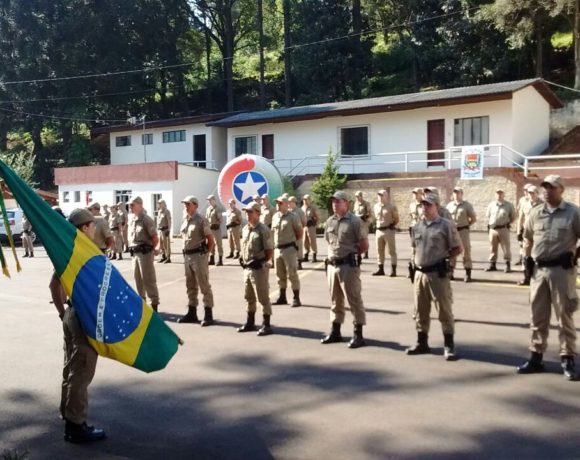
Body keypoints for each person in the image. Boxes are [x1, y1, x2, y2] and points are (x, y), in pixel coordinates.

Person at [516, 175, 579, 381]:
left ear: (561, 190)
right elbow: (528, 238)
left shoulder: (573, 213)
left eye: (551, 187)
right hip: (539, 271)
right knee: (537, 316)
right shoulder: (536, 212)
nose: (546, 191)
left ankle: (567, 358)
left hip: (562, 271)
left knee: (564, 316)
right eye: (544, 187)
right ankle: (536, 356)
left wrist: (574, 256)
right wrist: (527, 261)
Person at [56, 208, 106, 443]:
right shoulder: (84, 252)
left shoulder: (67, 250)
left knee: (71, 368)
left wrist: (63, 312)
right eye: (92, 225)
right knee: (82, 371)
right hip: (83, 317)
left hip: (71, 313)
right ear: (85, 228)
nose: (95, 228)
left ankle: (68, 415)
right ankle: (76, 426)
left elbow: (53, 284)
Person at [406, 193, 462, 360]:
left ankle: (449, 345)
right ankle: (422, 342)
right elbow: (414, 248)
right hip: (420, 274)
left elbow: (457, 248)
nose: (425, 207)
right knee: (420, 310)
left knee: (444, 310)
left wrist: (444, 260)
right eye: (423, 204)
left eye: (428, 204)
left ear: (437, 206)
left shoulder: (446, 225)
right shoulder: (417, 226)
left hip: (438, 274)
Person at [321, 191, 369, 349]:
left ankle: (358, 334)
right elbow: (329, 242)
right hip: (332, 265)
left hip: (348, 266)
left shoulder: (355, 221)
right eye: (333, 201)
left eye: (338, 201)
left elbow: (364, 245)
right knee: (335, 300)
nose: (334, 204)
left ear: (346, 203)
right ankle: (336, 331)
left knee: (354, 299)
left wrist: (350, 255)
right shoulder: (330, 221)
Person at [177, 195, 216, 326]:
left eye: (188, 204)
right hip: (187, 256)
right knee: (190, 286)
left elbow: (210, 240)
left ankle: (208, 314)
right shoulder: (185, 219)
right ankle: (192, 312)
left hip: (198, 256)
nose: (186, 206)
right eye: (185, 204)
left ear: (195, 205)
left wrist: (205, 255)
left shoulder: (201, 220)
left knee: (204, 285)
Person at [237, 202, 275, 335]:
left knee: (263, 297)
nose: (247, 214)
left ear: (258, 213)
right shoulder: (245, 229)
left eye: (250, 212)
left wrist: (261, 261)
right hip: (247, 268)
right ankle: (250, 322)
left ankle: (266, 324)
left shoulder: (263, 230)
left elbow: (269, 250)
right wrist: (242, 258)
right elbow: (244, 246)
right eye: (246, 212)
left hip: (259, 268)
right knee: (249, 296)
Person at [128, 196, 160, 311]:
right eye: (130, 205)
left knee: (148, 280)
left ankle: (154, 305)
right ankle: (142, 306)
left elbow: (155, 238)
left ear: (140, 205)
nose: (130, 207)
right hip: (134, 254)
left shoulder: (146, 220)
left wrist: (151, 250)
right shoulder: (132, 220)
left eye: (132, 205)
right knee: (138, 280)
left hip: (144, 254)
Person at [272, 196, 303, 307]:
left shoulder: (293, 217)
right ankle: (282, 297)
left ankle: (296, 298)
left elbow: (299, 233)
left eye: (280, 203)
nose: (277, 205)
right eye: (277, 203)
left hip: (289, 249)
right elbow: (272, 233)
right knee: (279, 274)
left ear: (286, 204)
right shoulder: (275, 216)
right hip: (277, 249)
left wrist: (293, 244)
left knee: (292, 274)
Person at [446, 187, 477, 282]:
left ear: (461, 194)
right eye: (454, 193)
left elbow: (473, 218)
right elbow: (446, 218)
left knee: (466, 250)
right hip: (452, 231)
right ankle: (451, 271)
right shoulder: (449, 206)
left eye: (458, 193)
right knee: (452, 251)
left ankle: (468, 272)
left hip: (463, 231)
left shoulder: (467, 205)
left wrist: (466, 225)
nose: (456, 195)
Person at [485, 188, 516, 273]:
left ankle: (507, 265)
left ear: (503, 195)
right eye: (497, 193)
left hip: (503, 229)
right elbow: (488, 216)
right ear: (495, 195)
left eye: (500, 193)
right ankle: (492, 264)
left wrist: (506, 224)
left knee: (506, 248)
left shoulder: (509, 205)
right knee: (492, 248)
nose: (499, 195)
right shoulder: (491, 205)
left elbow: (513, 217)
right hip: (493, 229)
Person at [517, 185, 543, 286]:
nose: (531, 195)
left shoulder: (543, 205)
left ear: (537, 193)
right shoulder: (525, 204)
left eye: (533, 193)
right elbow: (520, 218)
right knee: (526, 255)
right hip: (527, 233)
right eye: (529, 193)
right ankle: (526, 277)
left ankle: (539, 277)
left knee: (539, 254)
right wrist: (519, 232)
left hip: (539, 233)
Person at [372, 189, 399, 277]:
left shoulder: (391, 206)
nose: (380, 197)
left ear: (386, 196)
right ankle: (381, 269)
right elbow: (376, 218)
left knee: (391, 251)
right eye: (379, 195)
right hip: (378, 230)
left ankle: (393, 270)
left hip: (388, 230)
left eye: (382, 195)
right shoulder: (376, 206)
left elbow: (397, 218)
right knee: (379, 250)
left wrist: (392, 225)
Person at [408, 188, 423, 279]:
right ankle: (413, 269)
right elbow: (411, 216)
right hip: (414, 229)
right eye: (414, 193)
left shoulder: (424, 205)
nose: (415, 195)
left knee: (421, 249)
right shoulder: (412, 205)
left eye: (417, 193)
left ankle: (421, 267)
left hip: (422, 229)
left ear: (421, 194)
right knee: (413, 249)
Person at [515, 185, 532, 266]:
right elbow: (519, 212)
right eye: (525, 190)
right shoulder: (522, 200)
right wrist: (519, 228)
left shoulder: (534, 201)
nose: (525, 192)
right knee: (521, 243)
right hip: (523, 224)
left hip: (530, 226)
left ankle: (527, 260)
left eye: (527, 190)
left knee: (528, 244)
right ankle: (521, 258)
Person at [288, 196, 307, 270]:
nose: (288, 204)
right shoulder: (288, 211)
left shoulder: (299, 211)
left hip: (298, 232)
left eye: (290, 202)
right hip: (290, 233)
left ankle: (299, 263)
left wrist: (299, 229)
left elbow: (304, 222)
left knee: (298, 247)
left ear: (294, 202)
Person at [353, 191, 371, 259]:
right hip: (357, 223)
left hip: (363, 222)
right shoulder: (355, 204)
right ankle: (358, 253)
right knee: (357, 238)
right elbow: (354, 212)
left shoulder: (366, 203)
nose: (357, 198)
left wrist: (364, 216)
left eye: (358, 196)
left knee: (364, 237)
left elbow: (369, 213)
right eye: (356, 196)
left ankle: (366, 253)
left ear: (361, 196)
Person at [206, 195, 223, 266]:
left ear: (213, 200)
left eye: (210, 200)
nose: (209, 202)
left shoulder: (217, 209)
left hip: (216, 229)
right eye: (208, 200)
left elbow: (220, 219)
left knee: (219, 244)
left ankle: (220, 260)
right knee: (211, 244)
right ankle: (212, 259)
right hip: (210, 229)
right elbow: (206, 219)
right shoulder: (208, 209)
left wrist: (217, 225)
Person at [302, 194, 320, 263]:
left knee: (312, 241)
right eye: (304, 200)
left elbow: (317, 217)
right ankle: (306, 255)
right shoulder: (302, 208)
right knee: (304, 241)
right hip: (304, 226)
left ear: (309, 200)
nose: (304, 201)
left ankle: (314, 255)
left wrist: (316, 225)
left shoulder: (313, 208)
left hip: (311, 226)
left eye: (306, 199)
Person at [156, 199, 172, 264]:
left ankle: (168, 258)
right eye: (158, 203)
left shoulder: (167, 211)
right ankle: (163, 257)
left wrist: (169, 230)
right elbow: (158, 221)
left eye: (160, 203)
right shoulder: (159, 211)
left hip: (165, 230)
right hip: (160, 230)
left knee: (166, 245)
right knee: (161, 245)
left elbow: (169, 221)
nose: (159, 204)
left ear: (163, 204)